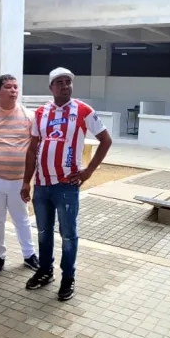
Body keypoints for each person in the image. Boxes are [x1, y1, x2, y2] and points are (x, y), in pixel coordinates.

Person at [21, 67, 113, 301]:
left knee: (68, 235)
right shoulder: (40, 113)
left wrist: (88, 171)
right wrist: (26, 182)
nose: (65, 86)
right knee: (43, 232)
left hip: (66, 186)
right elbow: (32, 149)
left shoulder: (83, 110)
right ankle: (45, 271)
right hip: (42, 185)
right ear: (51, 87)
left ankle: (68, 278)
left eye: (68, 82)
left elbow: (105, 139)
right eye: (59, 82)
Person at [0, 75, 40, 277]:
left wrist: (28, 180)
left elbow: (34, 147)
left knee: (21, 219)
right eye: (8, 87)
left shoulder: (29, 116)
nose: (13, 90)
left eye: (15, 87)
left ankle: (29, 255)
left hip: (19, 181)